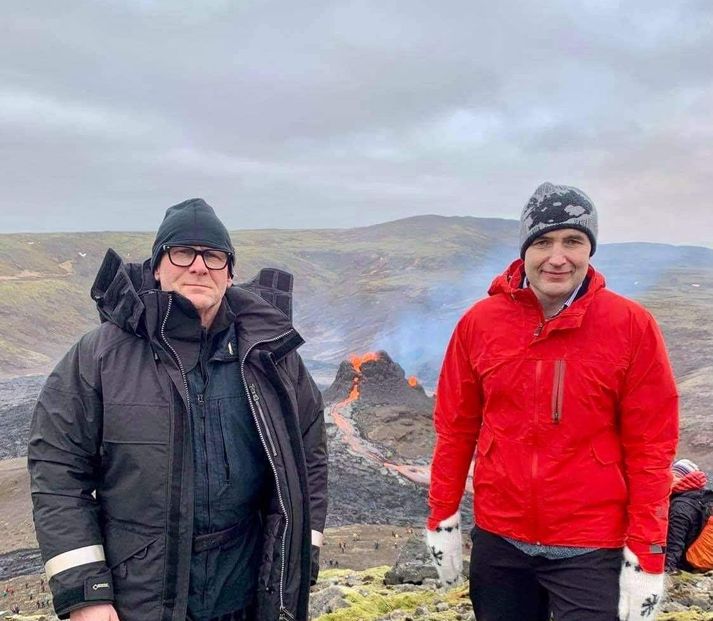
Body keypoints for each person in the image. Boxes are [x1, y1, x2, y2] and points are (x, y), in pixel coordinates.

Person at [29, 199, 328, 621]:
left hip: (246, 599)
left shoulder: (270, 356)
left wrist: (303, 552)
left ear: (229, 271)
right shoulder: (99, 356)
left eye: (213, 255)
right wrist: (86, 594)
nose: (199, 266)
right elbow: (57, 469)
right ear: (157, 265)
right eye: (182, 252)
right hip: (140, 601)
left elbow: (309, 457)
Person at [425, 182, 679, 621]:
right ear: (524, 249)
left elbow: (652, 448)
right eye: (543, 241)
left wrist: (647, 553)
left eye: (573, 241)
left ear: (590, 250)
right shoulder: (479, 324)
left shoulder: (632, 326)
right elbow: (455, 429)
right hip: (499, 541)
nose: (557, 257)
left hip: (591, 545)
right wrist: (442, 518)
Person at [665, 459, 713, 572]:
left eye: (675, 474)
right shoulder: (703, 497)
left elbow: (675, 541)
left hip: (688, 563)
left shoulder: (680, 506)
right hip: (704, 557)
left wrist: (667, 568)